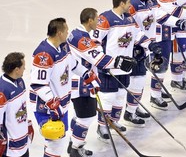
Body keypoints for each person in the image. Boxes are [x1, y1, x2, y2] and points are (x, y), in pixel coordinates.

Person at [125, 0, 186, 126]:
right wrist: (147, 43)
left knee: (140, 79)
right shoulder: (131, 5)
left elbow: (162, 17)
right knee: (136, 80)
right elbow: (132, 29)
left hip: (147, 45)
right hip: (136, 46)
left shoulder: (151, 1)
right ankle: (129, 112)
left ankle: (134, 107)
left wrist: (181, 23)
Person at [67, 8, 135, 156]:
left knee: (80, 116)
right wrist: (118, 62)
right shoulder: (81, 38)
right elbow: (97, 58)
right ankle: (75, 149)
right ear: (90, 20)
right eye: (97, 19)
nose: (99, 22)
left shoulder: (77, 33)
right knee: (86, 117)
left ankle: (73, 143)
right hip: (81, 83)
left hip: (79, 80)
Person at [91, 0, 152, 141]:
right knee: (108, 98)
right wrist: (103, 61)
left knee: (120, 96)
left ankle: (114, 122)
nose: (131, 5)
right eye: (129, 3)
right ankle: (103, 126)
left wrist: (151, 45)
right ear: (122, 3)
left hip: (126, 66)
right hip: (110, 67)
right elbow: (95, 42)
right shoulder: (105, 18)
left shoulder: (129, 18)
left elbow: (137, 35)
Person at [29, 18, 93, 157]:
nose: (68, 32)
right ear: (59, 33)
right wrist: (53, 103)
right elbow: (38, 84)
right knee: (55, 145)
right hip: (47, 107)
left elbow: (73, 64)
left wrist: (86, 74)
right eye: (66, 30)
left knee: (59, 142)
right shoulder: (43, 55)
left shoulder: (64, 46)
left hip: (60, 105)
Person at [0, 52, 33, 157]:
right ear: (16, 70)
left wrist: (26, 123)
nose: (25, 69)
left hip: (23, 142)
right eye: (23, 67)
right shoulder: (3, 90)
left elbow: (20, 108)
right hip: (11, 148)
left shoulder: (20, 81)